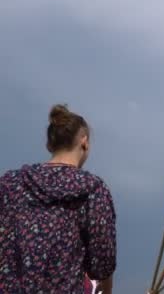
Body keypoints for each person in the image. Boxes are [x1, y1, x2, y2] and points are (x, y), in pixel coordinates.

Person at [0, 104, 116, 293]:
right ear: (84, 142)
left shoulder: (10, 183)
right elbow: (101, 263)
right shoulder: (93, 189)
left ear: (50, 145)